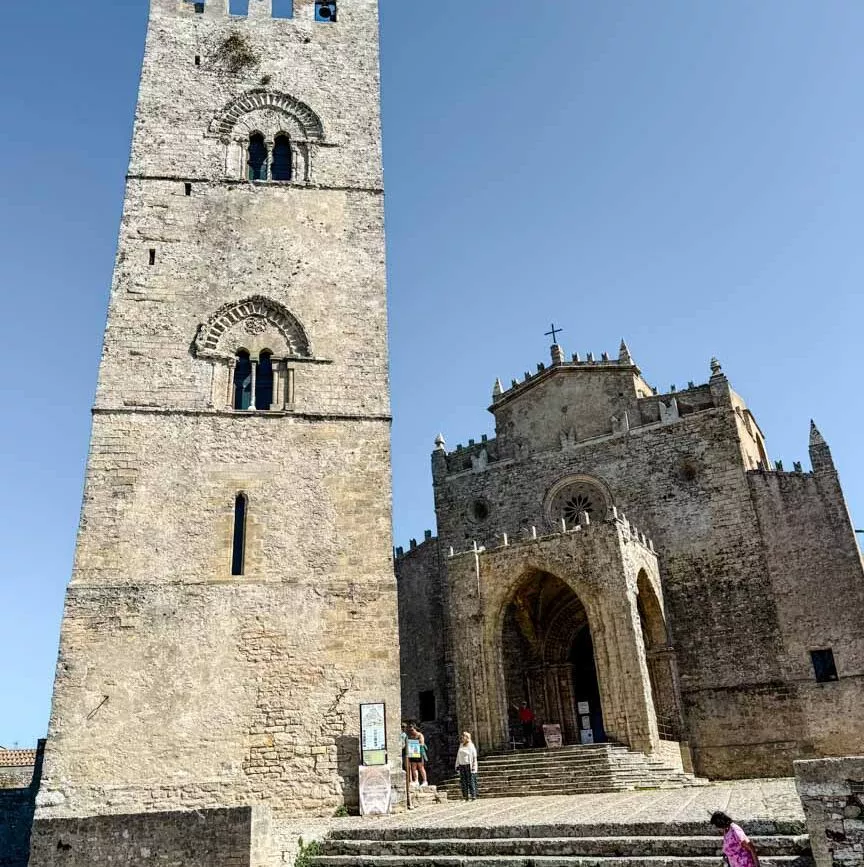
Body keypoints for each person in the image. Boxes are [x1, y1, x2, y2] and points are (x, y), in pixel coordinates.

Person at [455, 731, 478, 801]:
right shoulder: (461, 745)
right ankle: (465, 796)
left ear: (467, 737)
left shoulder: (471, 745)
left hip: (469, 765)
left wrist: (474, 766)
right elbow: (458, 755)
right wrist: (457, 764)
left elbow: (474, 756)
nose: (462, 737)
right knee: (463, 781)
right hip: (462, 765)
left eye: (463, 736)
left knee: (470, 780)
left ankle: (473, 795)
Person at [406, 723, 428, 788]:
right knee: (413, 767)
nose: (411, 732)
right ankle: (416, 781)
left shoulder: (420, 735)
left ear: (415, 729)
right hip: (413, 753)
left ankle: (425, 781)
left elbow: (422, 743)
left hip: (419, 752)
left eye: (412, 730)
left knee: (421, 767)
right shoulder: (410, 736)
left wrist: (414, 744)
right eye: (410, 730)